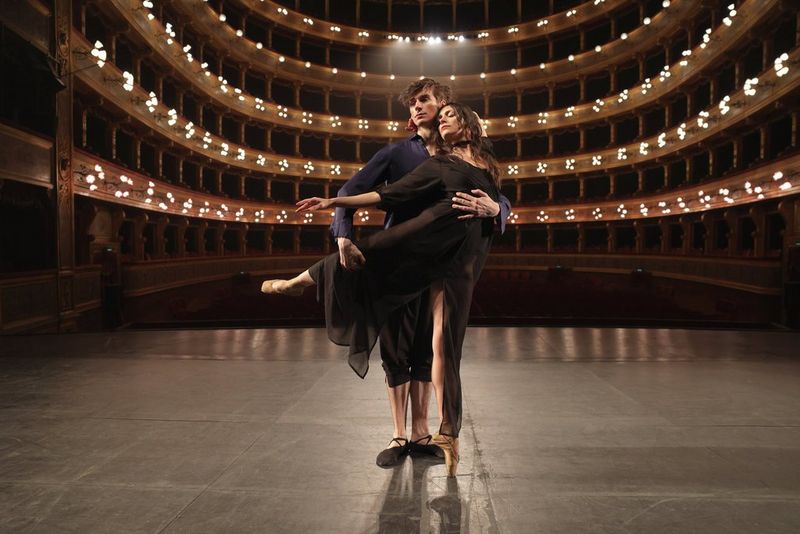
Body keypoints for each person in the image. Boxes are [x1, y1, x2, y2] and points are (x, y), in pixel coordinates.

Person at [262, 103, 501, 476]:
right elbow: (388, 194)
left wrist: (496, 209)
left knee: (443, 346)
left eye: (448, 114)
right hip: (424, 237)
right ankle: (298, 282)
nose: (440, 118)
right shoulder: (438, 162)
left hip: (459, 260)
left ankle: (444, 434)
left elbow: (501, 200)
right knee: (370, 254)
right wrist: (334, 201)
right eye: (439, 117)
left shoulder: (489, 166)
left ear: (469, 123)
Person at [320, 78, 510, 469]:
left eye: (425, 100)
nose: (417, 107)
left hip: (443, 264)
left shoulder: (463, 151)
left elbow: (497, 193)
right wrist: (343, 237)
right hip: (401, 260)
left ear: (445, 106)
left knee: (428, 349)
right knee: (396, 349)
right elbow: (352, 190)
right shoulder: (397, 152)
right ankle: (398, 434)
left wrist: (498, 210)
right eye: (413, 103)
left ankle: (422, 433)